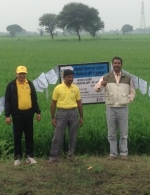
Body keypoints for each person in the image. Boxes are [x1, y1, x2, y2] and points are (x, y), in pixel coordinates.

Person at [94, 57, 135, 160]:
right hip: (110, 108)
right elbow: (96, 89)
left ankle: (124, 153)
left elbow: (132, 91)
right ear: (112, 64)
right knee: (111, 133)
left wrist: (129, 99)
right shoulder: (106, 77)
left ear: (121, 65)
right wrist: (101, 86)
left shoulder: (128, 78)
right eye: (115, 63)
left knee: (123, 132)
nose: (117, 65)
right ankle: (113, 154)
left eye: (119, 63)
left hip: (123, 108)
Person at [5, 65, 41, 165]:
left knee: (29, 135)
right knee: (17, 136)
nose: (22, 75)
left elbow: (34, 99)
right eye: (20, 73)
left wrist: (38, 112)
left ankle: (30, 156)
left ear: (26, 74)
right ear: (16, 74)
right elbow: (7, 101)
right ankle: (17, 157)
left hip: (29, 114)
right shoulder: (11, 85)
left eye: (23, 73)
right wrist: (7, 115)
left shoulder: (29, 84)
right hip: (17, 115)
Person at [49, 69, 83, 162]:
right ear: (64, 78)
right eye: (68, 77)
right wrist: (53, 117)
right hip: (61, 113)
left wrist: (81, 117)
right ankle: (54, 156)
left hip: (73, 112)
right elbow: (53, 103)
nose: (71, 79)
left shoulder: (75, 88)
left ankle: (71, 154)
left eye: (72, 77)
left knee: (73, 135)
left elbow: (79, 103)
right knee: (58, 135)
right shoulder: (58, 88)